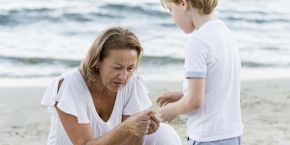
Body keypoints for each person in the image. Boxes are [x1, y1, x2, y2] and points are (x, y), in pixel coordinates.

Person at [41, 27, 181, 145]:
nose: (124, 77)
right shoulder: (69, 86)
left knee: (164, 133)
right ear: (97, 62)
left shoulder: (132, 82)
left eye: (130, 68)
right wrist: (126, 127)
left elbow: (131, 142)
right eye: (117, 67)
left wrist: (140, 130)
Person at [156, 0, 243, 145]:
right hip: (232, 134)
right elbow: (218, 86)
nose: (172, 18)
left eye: (171, 10)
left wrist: (170, 110)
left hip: (207, 136)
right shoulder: (225, 33)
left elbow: (195, 101)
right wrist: (183, 95)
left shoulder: (197, 41)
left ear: (183, 4)